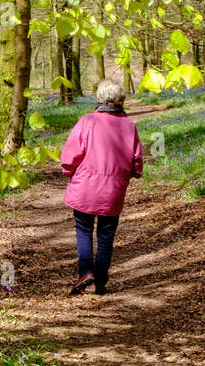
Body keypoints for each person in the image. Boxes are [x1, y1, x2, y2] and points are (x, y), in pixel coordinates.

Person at [59, 79, 143, 295]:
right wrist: (128, 175)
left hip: (85, 188)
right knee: (106, 234)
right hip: (113, 190)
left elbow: (71, 154)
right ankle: (101, 279)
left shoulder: (88, 121)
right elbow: (136, 162)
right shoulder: (130, 126)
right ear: (121, 100)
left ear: (99, 99)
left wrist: (68, 170)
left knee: (84, 230)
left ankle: (86, 272)